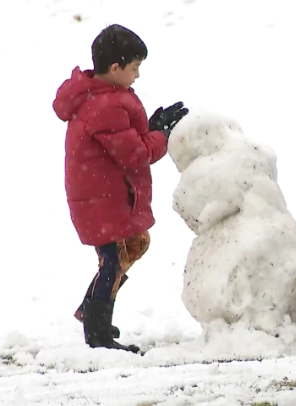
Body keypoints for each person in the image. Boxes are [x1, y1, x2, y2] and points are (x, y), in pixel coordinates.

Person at [52, 24, 189, 352]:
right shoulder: (106, 106)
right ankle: (97, 334)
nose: (138, 76)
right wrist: (162, 137)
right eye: (135, 68)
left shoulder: (108, 97)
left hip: (108, 195)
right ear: (115, 69)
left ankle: (92, 311)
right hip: (102, 201)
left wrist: (151, 127)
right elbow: (136, 154)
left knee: (135, 244)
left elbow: (128, 140)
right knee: (113, 260)